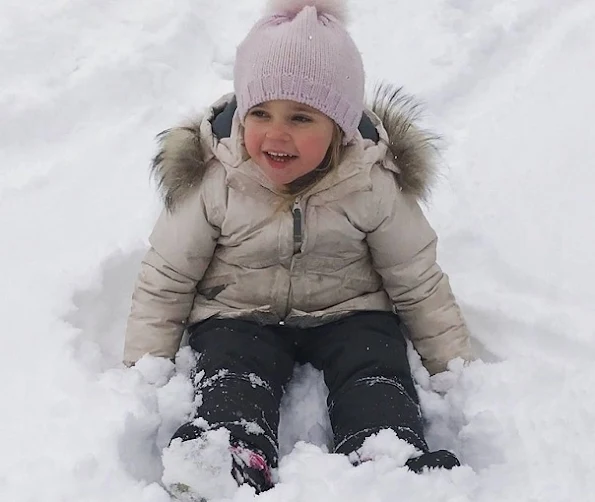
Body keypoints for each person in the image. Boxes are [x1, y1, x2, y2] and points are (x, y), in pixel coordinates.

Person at [124, 0, 473, 497]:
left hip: (349, 310)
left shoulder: (371, 182)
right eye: (260, 113)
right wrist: (145, 368)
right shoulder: (216, 178)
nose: (276, 133)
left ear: (341, 126)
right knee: (230, 371)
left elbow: (416, 278)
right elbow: (168, 275)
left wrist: (451, 366)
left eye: (302, 117)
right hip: (240, 311)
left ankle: (386, 453)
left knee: (375, 368)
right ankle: (228, 451)